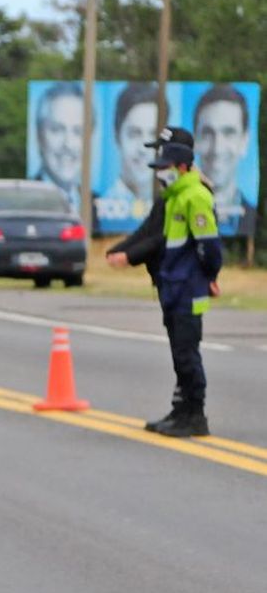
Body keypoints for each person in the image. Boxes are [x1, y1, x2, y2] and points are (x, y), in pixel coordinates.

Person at [106, 132, 222, 437]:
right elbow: (164, 240)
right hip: (173, 283)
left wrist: (209, 277)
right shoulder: (175, 198)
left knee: (187, 352)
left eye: (165, 166)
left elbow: (209, 247)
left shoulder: (195, 196)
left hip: (188, 286)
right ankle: (181, 411)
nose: (160, 173)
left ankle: (195, 414)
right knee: (178, 352)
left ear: (182, 167)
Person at [193, 84, 255, 238]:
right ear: (195, 139)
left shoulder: (250, 214)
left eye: (229, 133)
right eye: (208, 133)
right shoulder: (177, 213)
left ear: (245, 141)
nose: (217, 148)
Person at [96, 83, 159, 228]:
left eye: (153, 134)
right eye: (134, 134)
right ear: (117, 136)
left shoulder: (175, 205)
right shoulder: (98, 210)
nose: (144, 148)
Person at [33, 81, 87, 213]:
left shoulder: (94, 202)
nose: (68, 144)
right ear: (40, 136)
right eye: (57, 129)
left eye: (77, 131)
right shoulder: (26, 199)